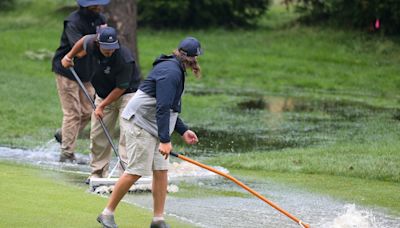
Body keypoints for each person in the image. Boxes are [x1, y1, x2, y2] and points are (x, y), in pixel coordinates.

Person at [96, 37, 203, 228]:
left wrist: (183, 130)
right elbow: (162, 107)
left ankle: (158, 219)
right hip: (139, 123)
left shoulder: (175, 69)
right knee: (136, 170)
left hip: (153, 123)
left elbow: (169, 108)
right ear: (193, 58)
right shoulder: (170, 72)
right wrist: (164, 140)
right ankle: (107, 213)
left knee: (161, 171)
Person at [61, 27, 141, 182]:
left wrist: (101, 106)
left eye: (112, 48)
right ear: (98, 43)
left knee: (127, 134)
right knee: (98, 135)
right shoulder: (91, 43)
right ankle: (97, 173)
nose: (109, 51)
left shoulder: (124, 59)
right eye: (106, 48)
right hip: (103, 94)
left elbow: (121, 88)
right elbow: (83, 40)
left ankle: (125, 176)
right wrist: (69, 56)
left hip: (128, 95)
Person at [52, 0, 110, 163]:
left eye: (100, 4)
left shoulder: (101, 18)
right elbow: (80, 51)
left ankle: (64, 135)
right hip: (67, 70)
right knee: (73, 113)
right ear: (85, 5)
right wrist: (98, 40)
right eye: (95, 5)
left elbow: (104, 41)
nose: (99, 7)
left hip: (88, 72)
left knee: (87, 112)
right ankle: (67, 154)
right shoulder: (73, 22)